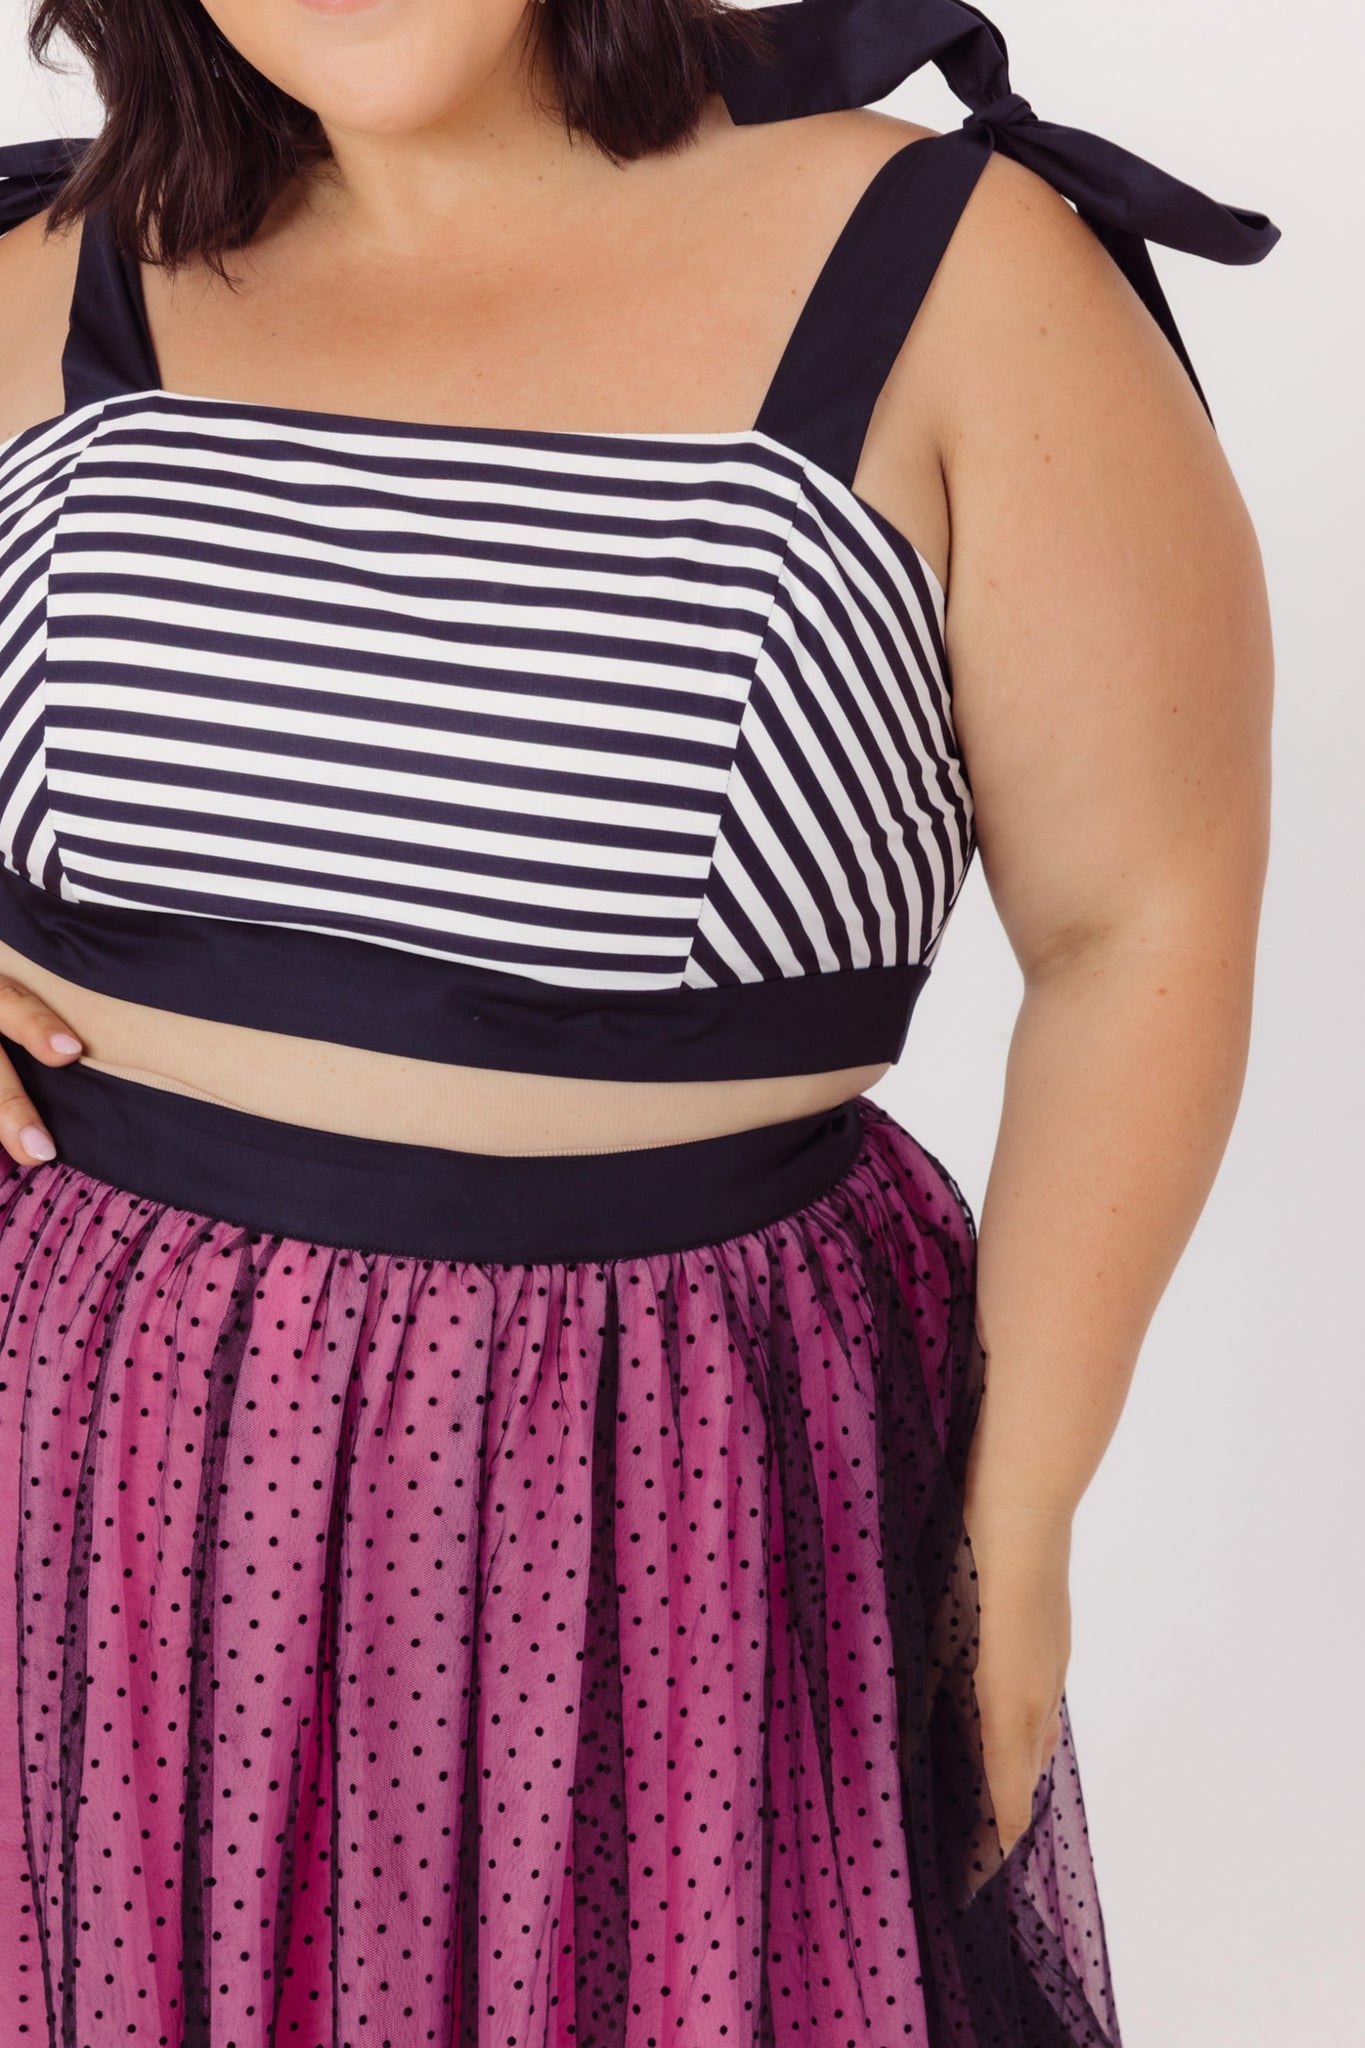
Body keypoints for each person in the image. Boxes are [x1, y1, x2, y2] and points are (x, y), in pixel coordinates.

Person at [0, 0, 1277, 2040]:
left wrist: (1014, 1528)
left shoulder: (943, 269)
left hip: (675, 1451)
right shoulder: (51, 275)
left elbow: (1143, 919)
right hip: (101, 1463)